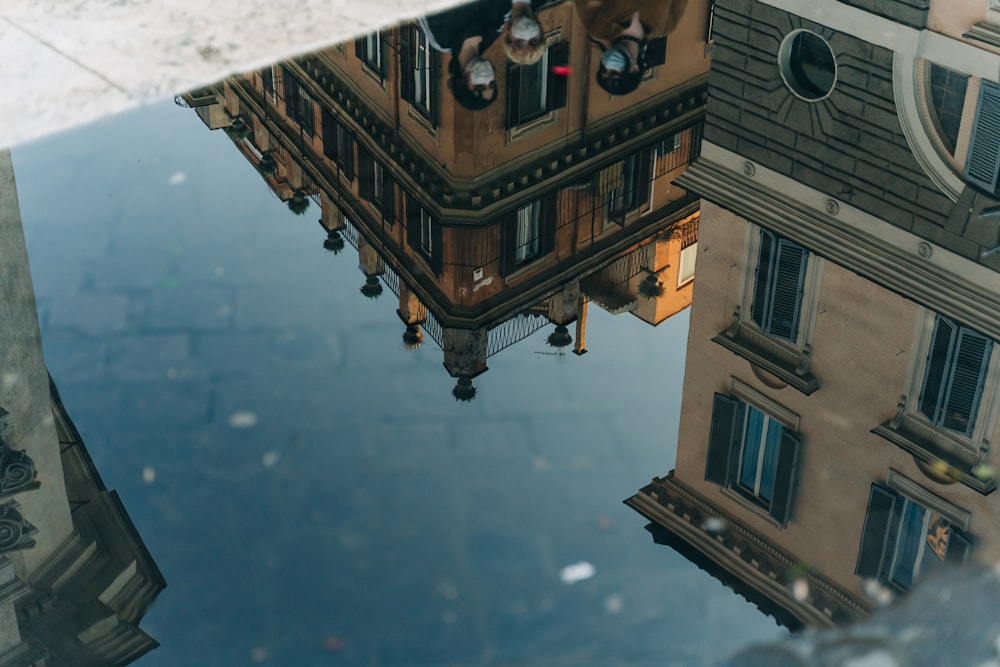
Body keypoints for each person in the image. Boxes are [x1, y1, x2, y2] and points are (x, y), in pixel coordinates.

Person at [573, 0, 690, 95]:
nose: (608, 65)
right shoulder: (665, 26)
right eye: (613, 72)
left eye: (603, 69)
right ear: (634, 69)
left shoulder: (597, 26)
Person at [418, 0, 511, 109]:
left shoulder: (441, 39)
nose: (487, 78)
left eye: (480, 87)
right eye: (491, 84)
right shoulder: (495, 28)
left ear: (461, 83)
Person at [500, 0, 546, 66]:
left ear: (509, 35)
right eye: (533, 41)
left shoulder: (492, 8)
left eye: (520, 43)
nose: (526, 37)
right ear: (540, 32)